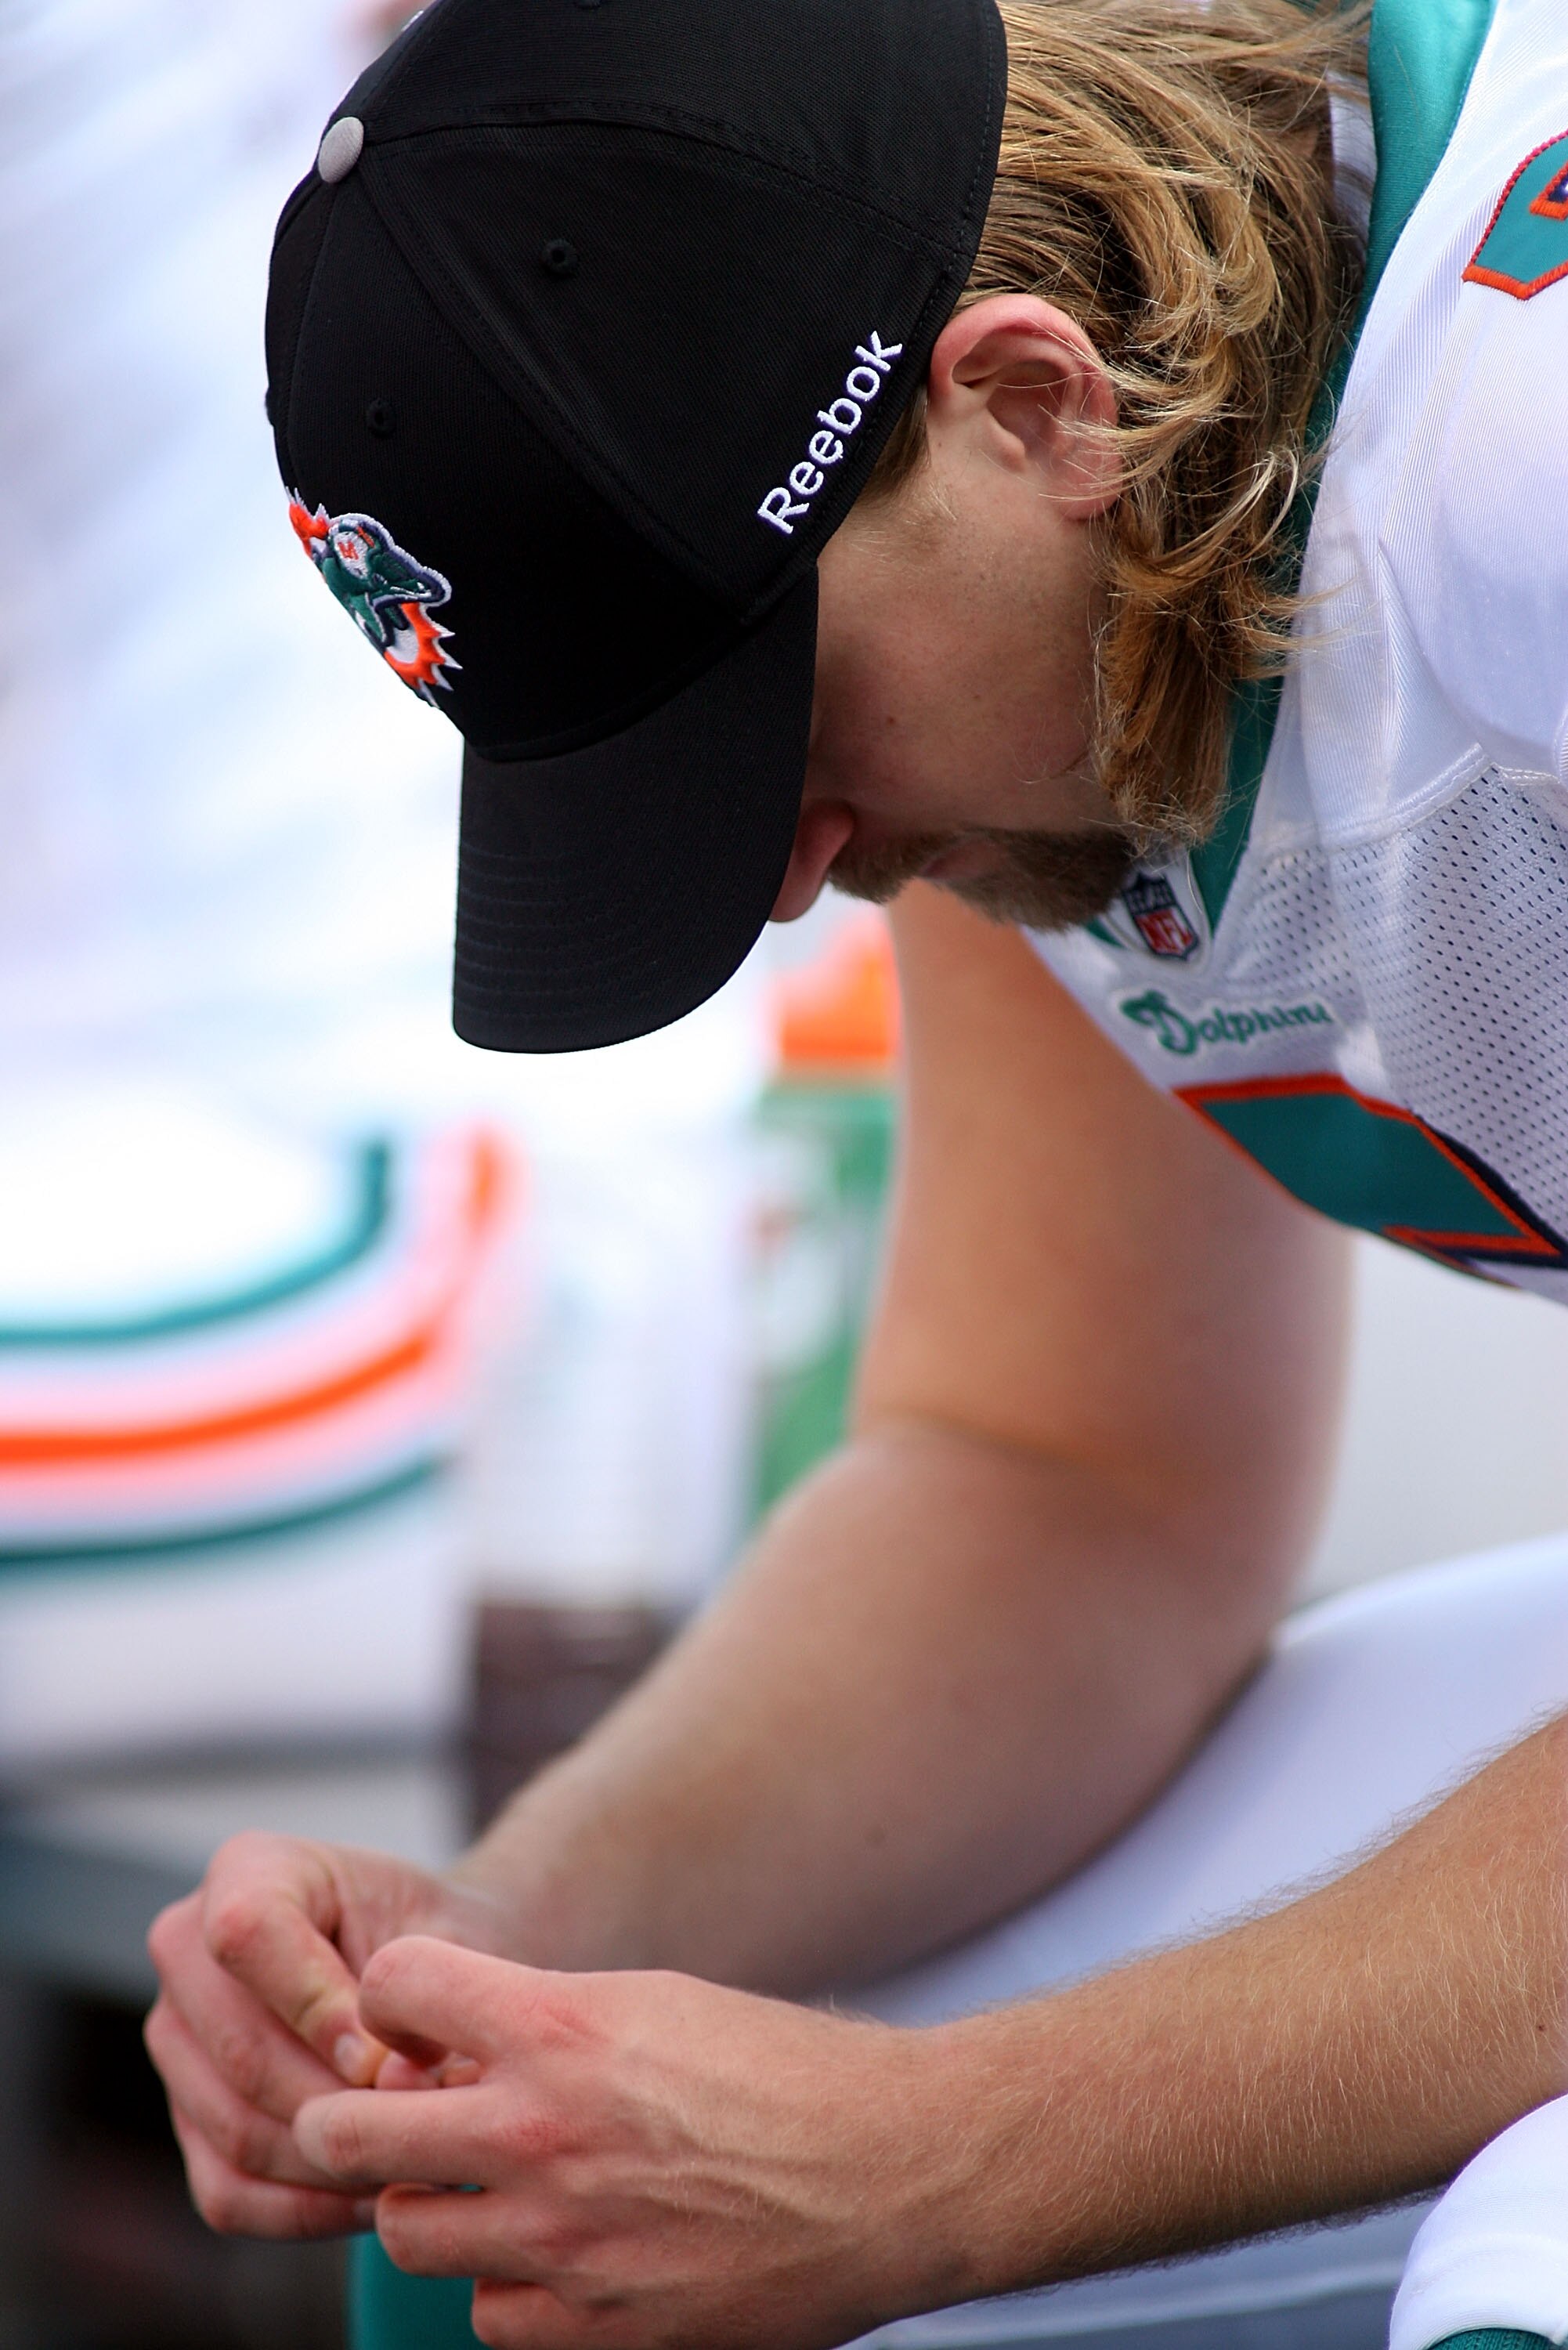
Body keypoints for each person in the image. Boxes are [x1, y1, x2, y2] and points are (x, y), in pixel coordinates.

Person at [145, 0, 1568, 2344]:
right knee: (513, 2208)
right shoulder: (1081, 559)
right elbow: (1067, 1473)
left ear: (1025, 404)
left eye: (777, 724)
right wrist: (499, 1937)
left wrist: (954, 2166)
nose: (793, 868)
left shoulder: (1514, 442)